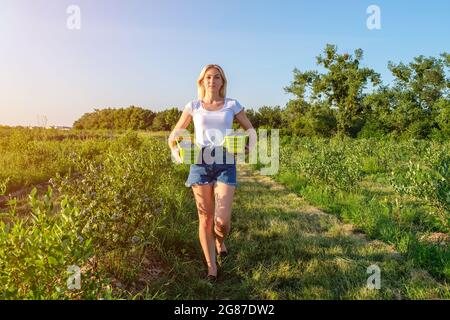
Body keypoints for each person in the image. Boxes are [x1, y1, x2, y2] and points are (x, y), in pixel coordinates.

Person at [168, 64, 256, 282]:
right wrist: (178, 151)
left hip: (225, 161)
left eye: (217, 77)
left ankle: (220, 240)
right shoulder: (193, 106)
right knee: (205, 218)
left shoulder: (232, 105)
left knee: (221, 220)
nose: (212, 80)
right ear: (202, 81)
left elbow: (250, 130)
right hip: (199, 163)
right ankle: (211, 267)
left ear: (222, 82)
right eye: (208, 77)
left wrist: (247, 148)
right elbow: (173, 137)